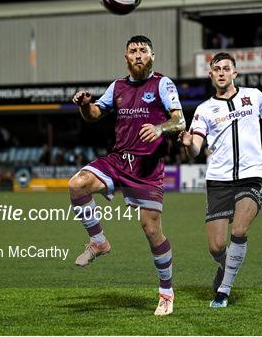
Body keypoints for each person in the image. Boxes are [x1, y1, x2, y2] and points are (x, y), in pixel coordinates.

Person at [179, 52, 262, 308]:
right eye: (216, 69)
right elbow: (196, 147)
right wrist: (188, 145)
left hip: (251, 176)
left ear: (235, 73)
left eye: (226, 68)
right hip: (218, 180)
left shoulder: (253, 96)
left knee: (239, 230)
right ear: (211, 75)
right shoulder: (203, 110)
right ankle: (225, 266)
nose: (221, 72)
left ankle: (224, 291)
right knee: (216, 246)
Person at [69, 35, 186, 316]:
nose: (137, 55)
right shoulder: (117, 86)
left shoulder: (162, 83)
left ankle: (166, 292)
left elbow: (179, 119)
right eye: (132, 51)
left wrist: (160, 129)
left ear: (152, 56)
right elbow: (95, 114)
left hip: (147, 168)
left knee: (151, 230)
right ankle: (98, 241)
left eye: (143, 51)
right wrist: (85, 104)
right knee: (77, 185)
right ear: (125, 57)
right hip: (119, 160)